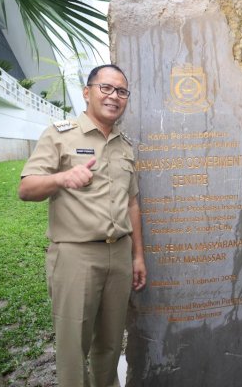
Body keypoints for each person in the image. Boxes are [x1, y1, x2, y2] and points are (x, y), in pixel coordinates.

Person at [18, 64, 147, 387]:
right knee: (73, 347)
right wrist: (62, 178)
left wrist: (137, 257)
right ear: (87, 92)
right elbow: (26, 188)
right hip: (75, 256)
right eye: (106, 88)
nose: (114, 97)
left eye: (121, 91)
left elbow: (132, 203)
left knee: (110, 343)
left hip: (118, 255)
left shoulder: (124, 145)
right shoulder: (60, 135)